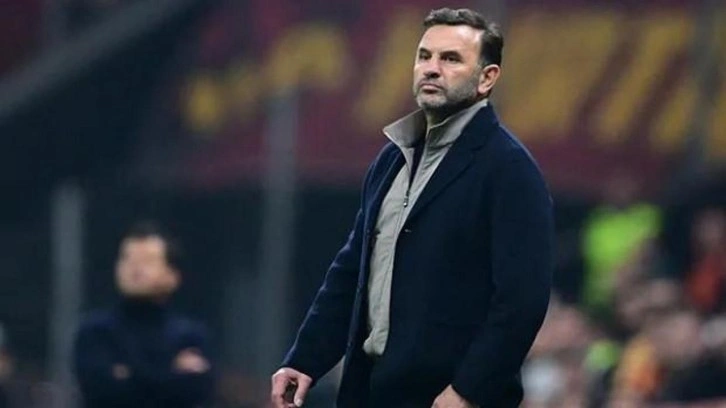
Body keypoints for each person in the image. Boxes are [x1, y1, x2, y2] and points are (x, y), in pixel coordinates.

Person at [271, 7, 553, 408]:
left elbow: (522, 301)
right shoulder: (391, 160)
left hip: (448, 398)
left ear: (487, 78)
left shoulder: (509, 169)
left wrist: (469, 390)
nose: (432, 68)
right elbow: (353, 271)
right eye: (425, 56)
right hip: (371, 391)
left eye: (451, 59)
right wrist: (305, 359)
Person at [73, 222, 215, 408]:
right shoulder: (95, 333)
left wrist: (127, 374)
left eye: (147, 261)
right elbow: (102, 392)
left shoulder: (190, 337)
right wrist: (169, 373)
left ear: (173, 276)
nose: (135, 268)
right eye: (127, 259)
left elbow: (196, 391)